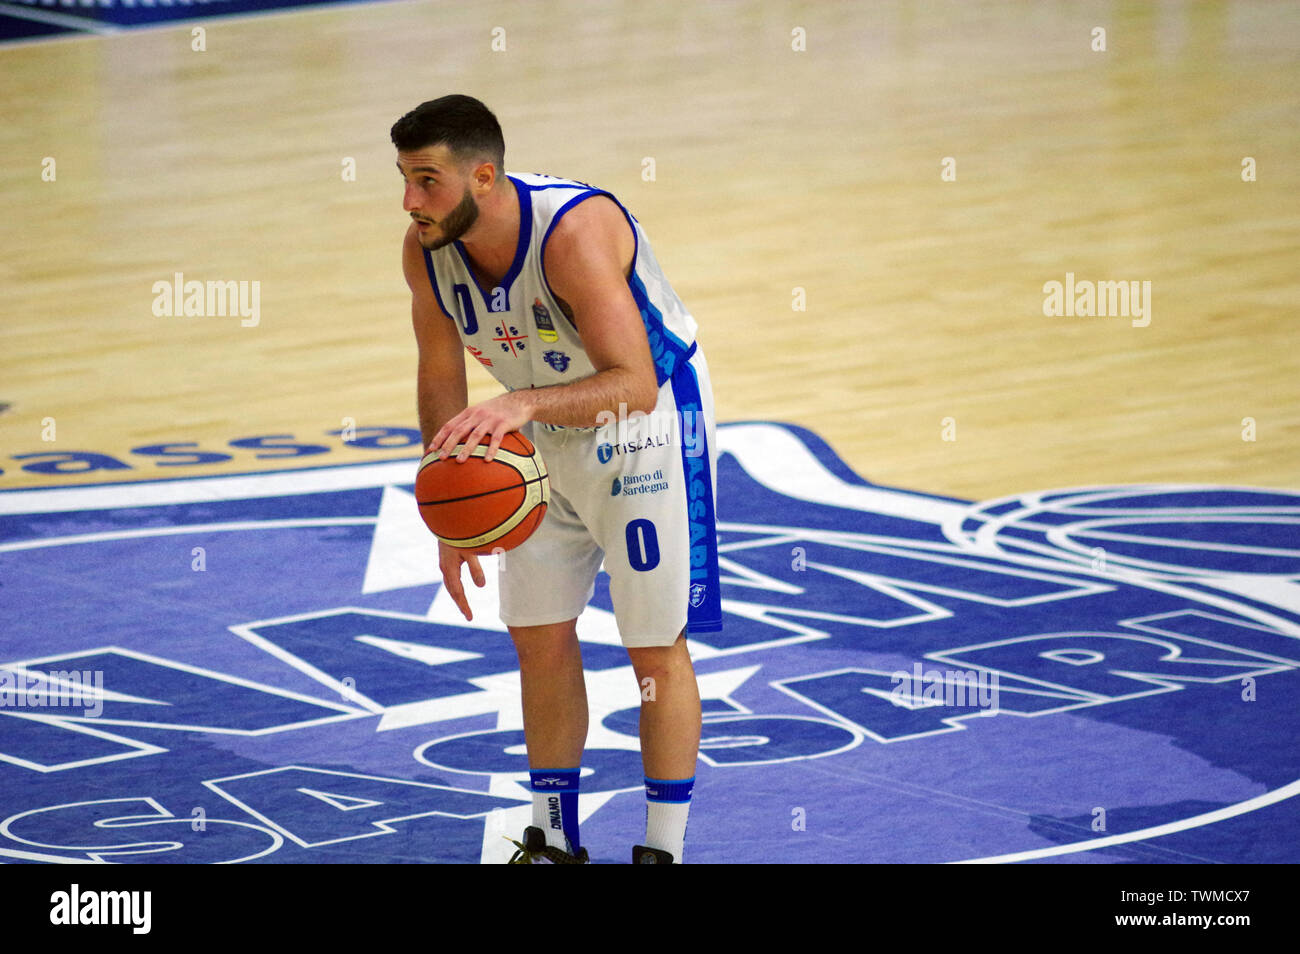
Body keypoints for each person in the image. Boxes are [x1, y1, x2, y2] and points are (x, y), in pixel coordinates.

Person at [392, 95, 721, 864]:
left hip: (648, 430)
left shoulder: (572, 234)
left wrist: (520, 402)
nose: (411, 202)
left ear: (483, 177)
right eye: (404, 179)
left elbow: (634, 381)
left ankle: (662, 851)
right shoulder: (425, 250)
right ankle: (552, 839)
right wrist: (448, 507)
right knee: (536, 635)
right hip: (537, 427)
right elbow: (438, 372)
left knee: (652, 647)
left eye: (427, 180)